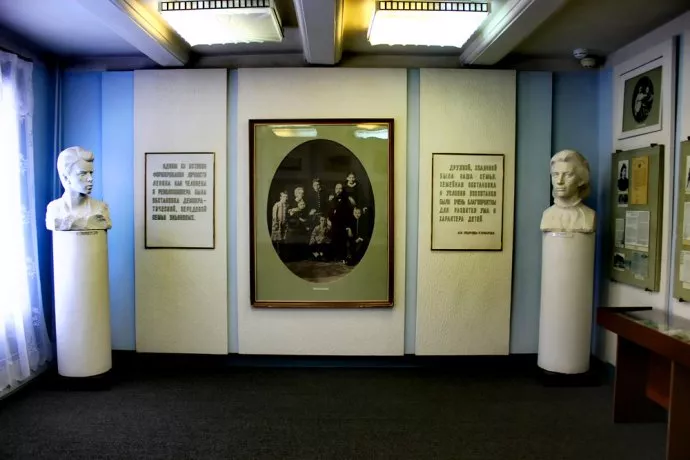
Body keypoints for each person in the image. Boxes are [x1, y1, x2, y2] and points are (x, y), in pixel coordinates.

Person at [46, 146, 111, 231]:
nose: (90, 178)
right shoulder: (54, 209)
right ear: (66, 177)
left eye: (91, 173)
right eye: (83, 174)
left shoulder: (101, 208)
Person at [540, 149, 595, 233]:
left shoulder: (589, 215)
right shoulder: (547, 215)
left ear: (580, 180)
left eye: (568, 175)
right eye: (555, 175)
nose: (559, 181)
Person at [328, 183, 354, 262]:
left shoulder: (347, 200)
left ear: (342, 190)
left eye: (340, 188)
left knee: (342, 240)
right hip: (334, 223)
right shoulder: (332, 200)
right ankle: (335, 256)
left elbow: (349, 213)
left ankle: (342, 256)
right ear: (335, 189)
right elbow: (329, 212)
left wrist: (347, 226)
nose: (338, 190)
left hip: (343, 223)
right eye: (337, 188)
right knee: (335, 239)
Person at [270, 191, 289, 255]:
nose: (285, 198)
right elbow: (274, 215)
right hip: (278, 224)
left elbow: (287, 214)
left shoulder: (287, 205)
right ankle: (277, 252)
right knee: (277, 238)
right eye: (284, 196)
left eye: (286, 197)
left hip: (284, 224)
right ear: (280, 197)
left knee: (283, 238)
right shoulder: (277, 204)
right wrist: (276, 223)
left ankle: (283, 252)